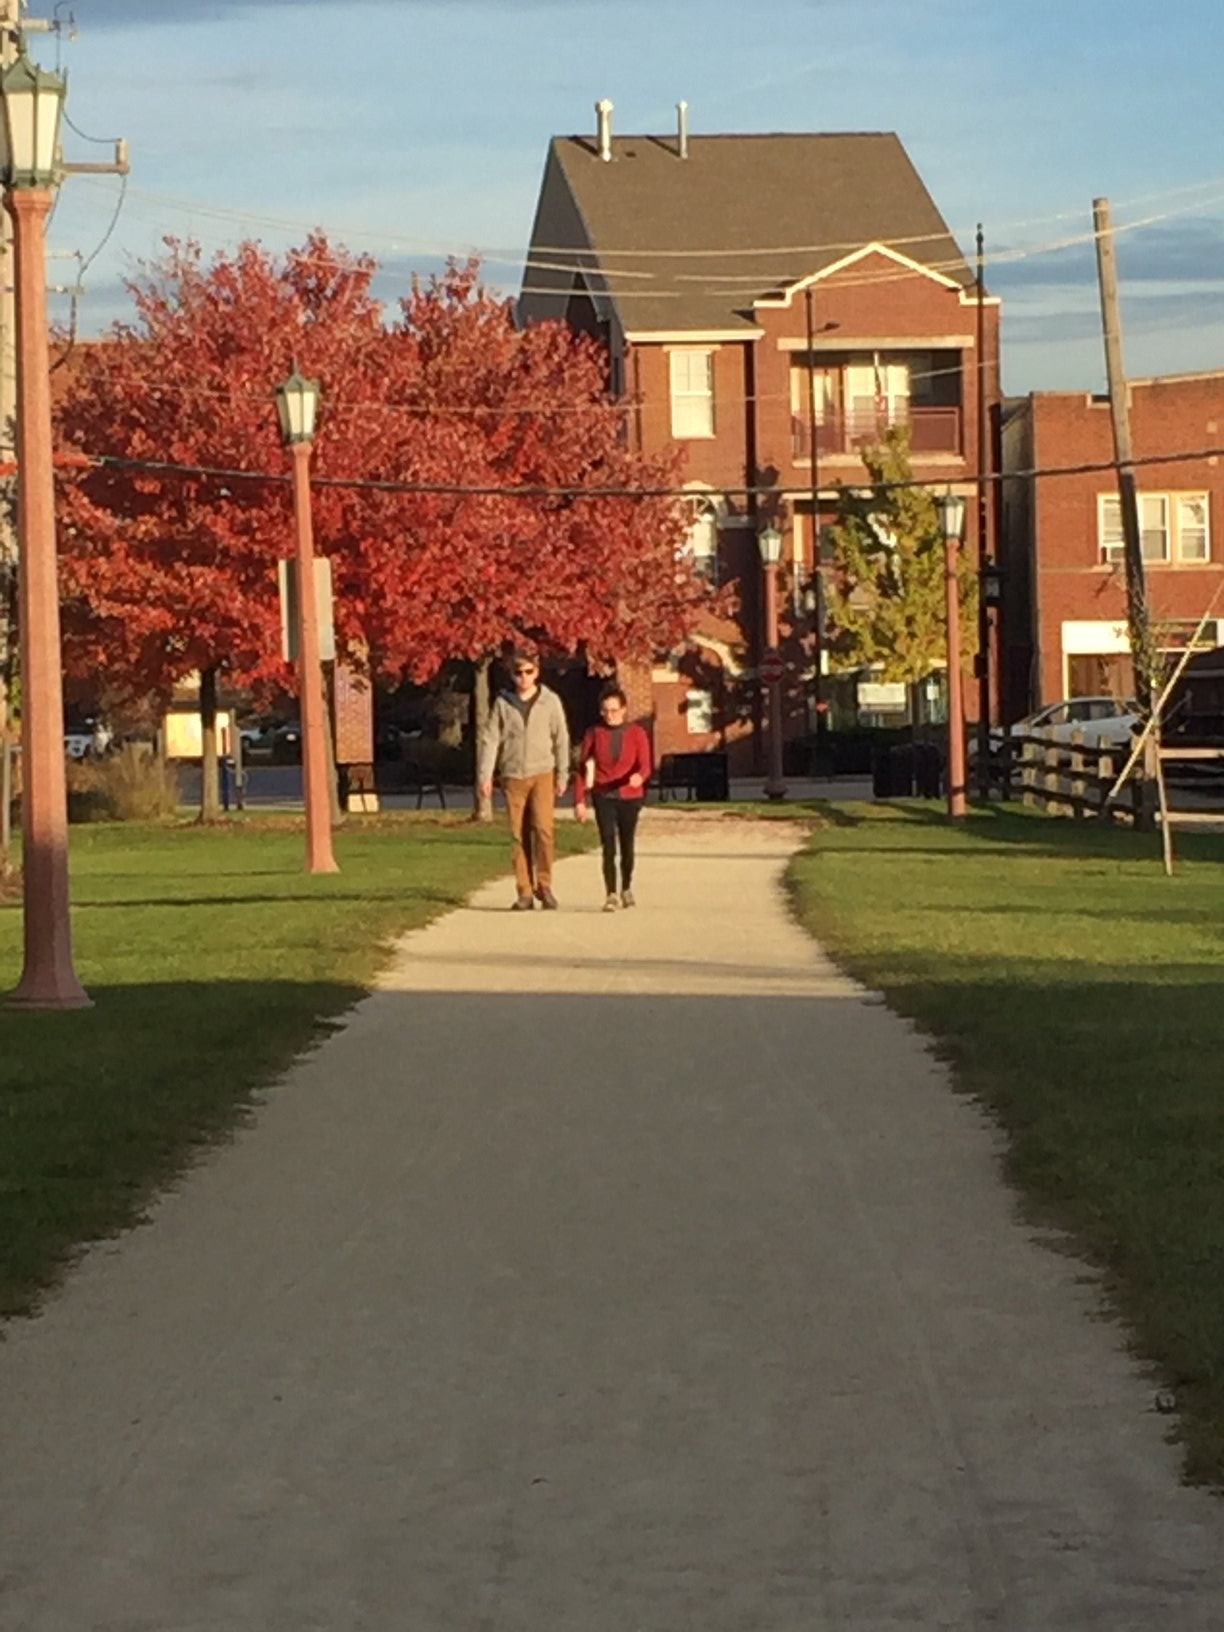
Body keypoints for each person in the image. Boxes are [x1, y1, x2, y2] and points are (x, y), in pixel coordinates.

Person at [478, 650, 571, 911]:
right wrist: (486, 775)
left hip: (542, 772)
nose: (523, 677)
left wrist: (563, 774)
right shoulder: (503, 703)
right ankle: (524, 891)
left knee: (544, 830)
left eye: (529, 672)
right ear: (512, 675)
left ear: (537, 672)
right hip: (513, 774)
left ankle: (544, 884)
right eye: (518, 673)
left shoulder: (550, 701)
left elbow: (561, 738)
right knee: (518, 834)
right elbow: (491, 739)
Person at [574, 683, 652, 911]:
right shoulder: (594, 733)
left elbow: (645, 765)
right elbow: (582, 769)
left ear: (624, 710)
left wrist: (639, 777)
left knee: (627, 843)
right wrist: (579, 800)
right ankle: (611, 893)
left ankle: (626, 886)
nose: (610, 715)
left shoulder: (637, 733)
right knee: (608, 843)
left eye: (614, 710)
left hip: (629, 795)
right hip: (603, 795)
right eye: (605, 711)